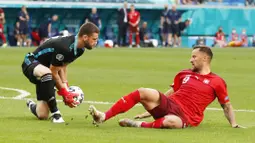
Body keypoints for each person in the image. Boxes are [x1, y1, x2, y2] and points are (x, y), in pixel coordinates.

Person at [89, 45, 245, 129]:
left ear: (205, 58)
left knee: (172, 122)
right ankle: (103, 116)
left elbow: (227, 106)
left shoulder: (217, 81)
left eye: (194, 56)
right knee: (143, 92)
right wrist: (147, 111)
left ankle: (138, 125)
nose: (190, 60)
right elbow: (173, 91)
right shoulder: (184, 74)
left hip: (186, 116)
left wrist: (234, 124)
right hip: (171, 104)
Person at [22, 22, 99, 123]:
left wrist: (65, 85)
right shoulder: (65, 47)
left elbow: (62, 66)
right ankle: (56, 114)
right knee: (48, 74)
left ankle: (32, 106)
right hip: (31, 62)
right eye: (94, 39)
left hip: (46, 70)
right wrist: (64, 93)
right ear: (85, 37)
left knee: (43, 115)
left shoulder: (80, 50)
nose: (96, 42)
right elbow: (53, 72)